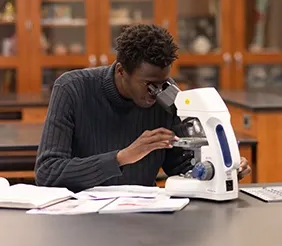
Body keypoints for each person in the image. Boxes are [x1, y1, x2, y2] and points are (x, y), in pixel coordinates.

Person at [35, 24, 251, 192]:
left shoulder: (167, 95)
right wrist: (123, 157)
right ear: (121, 71)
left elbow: (180, 166)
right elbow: (47, 172)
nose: (157, 92)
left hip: (145, 215)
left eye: (163, 82)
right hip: (81, 218)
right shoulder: (72, 88)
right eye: (150, 85)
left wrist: (222, 169)